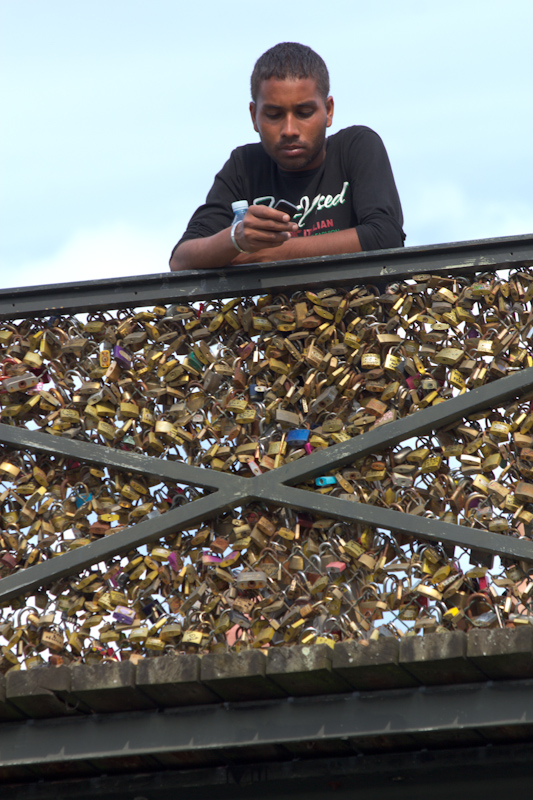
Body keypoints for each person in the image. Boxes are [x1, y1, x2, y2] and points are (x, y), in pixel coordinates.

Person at [169, 42, 405, 272]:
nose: (289, 129)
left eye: (304, 113)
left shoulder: (355, 146)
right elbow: (181, 260)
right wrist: (237, 238)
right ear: (254, 116)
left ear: (329, 111)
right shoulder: (244, 166)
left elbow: (386, 236)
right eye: (273, 115)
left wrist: (270, 253)